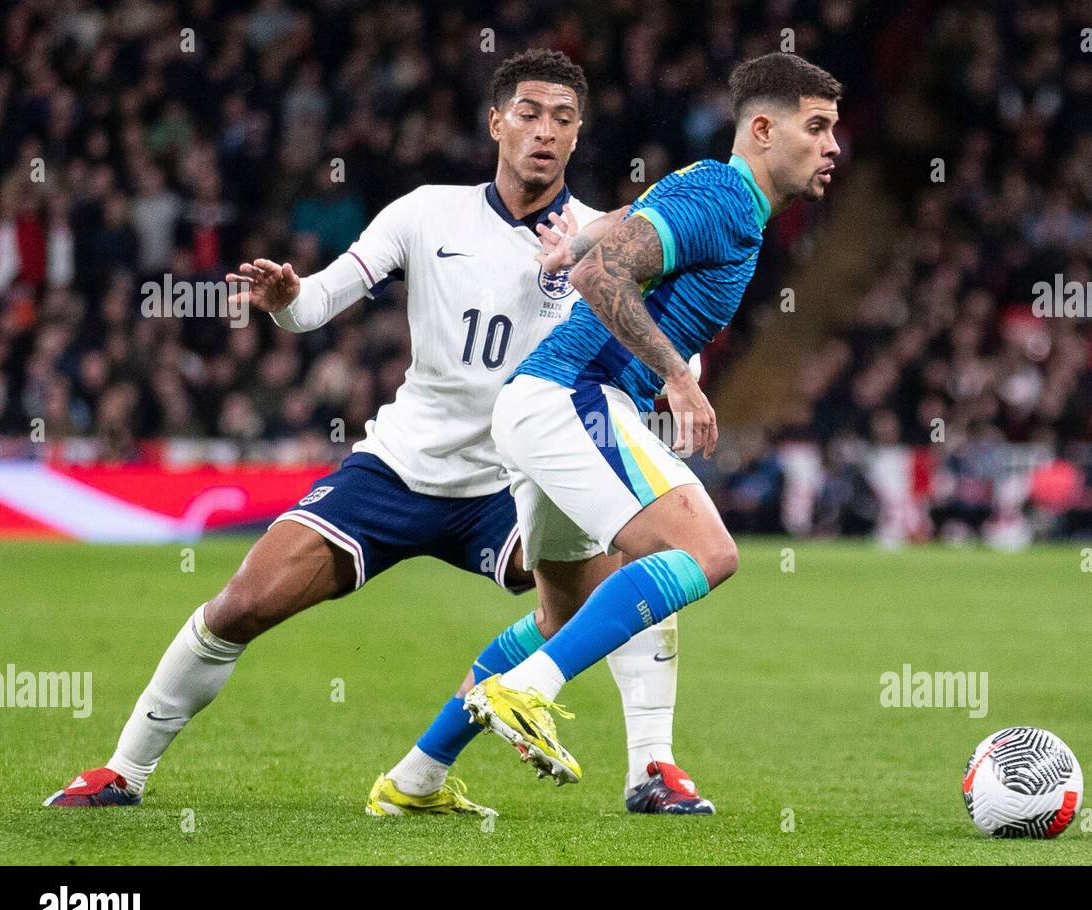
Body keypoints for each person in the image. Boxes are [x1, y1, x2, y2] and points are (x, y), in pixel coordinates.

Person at [45, 49, 712, 817]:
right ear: (496, 122)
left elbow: (661, 336)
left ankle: (652, 772)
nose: (545, 131)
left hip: (514, 481)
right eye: (528, 113)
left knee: (635, 581)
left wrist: (675, 374)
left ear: (579, 132)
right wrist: (286, 297)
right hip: (399, 468)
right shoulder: (426, 212)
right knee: (242, 603)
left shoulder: (603, 238)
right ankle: (122, 772)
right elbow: (315, 303)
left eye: (563, 118)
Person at [461, 53, 842, 787]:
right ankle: (532, 690)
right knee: (707, 554)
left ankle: (419, 772)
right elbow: (602, 277)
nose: (833, 147)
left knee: (571, 609)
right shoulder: (726, 197)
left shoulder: (713, 195)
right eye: (818, 128)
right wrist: (678, 376)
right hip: (574, 397)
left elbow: (615, 233)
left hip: (547, 404)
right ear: (762, 129)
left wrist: (572, 239)